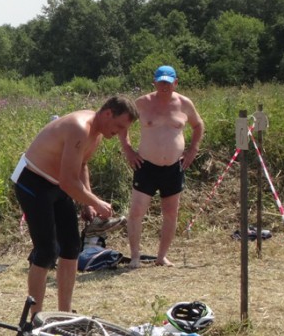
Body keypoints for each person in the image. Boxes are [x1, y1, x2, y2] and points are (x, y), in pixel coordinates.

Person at [12, 96, 139, 316]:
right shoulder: (80, 127)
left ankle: (64, 314)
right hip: (32, 181)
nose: (119, 133)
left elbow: (81, 165)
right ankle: (35, 320)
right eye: (119, 126)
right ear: (108, 113)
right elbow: (68, 182)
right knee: (46, 251)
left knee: (71, 248)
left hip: (57, 185)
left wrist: (86, 200)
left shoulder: (97, 133)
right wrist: (96, 202)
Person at [119, 65, 205, 268]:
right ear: (154, 82)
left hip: (174, 166)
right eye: (161, 82)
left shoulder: (184, 104)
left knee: (171, 212)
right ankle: (135, 257)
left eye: (168, 82)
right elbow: (123, 125)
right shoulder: (141, 103)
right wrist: (129, 150)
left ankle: (162, 256)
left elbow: (198, 125)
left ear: (176, 82)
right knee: (137, 211)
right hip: (146, 165)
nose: (164, 86)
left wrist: (193, 149)